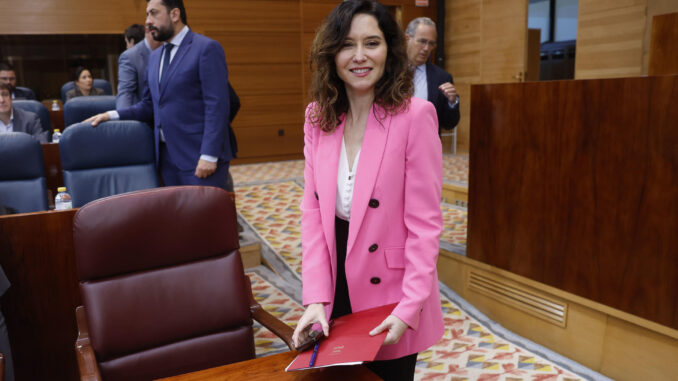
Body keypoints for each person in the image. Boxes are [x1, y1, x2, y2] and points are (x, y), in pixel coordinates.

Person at [291, 2, 444, 381]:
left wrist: (409, 308)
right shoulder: (318, 117)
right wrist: (315, 297)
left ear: (389, 51)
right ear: (332, 54)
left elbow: (425, 227)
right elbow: (312, 214)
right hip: (335, 281)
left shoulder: (415, 116)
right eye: (347, 45)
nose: (359, 56)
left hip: (393, 292)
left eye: (371, 43)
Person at [86, 0, 232, 189]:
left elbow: (217, 106)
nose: (148, 21)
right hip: (166, 159)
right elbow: (150, 105)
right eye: (147, 15)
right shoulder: (155, 57)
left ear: (175, 15)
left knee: (205, 218)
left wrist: (209, 155)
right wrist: (111, 115)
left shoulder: (205, 48)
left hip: (199, 158)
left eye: (154, 13)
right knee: (178, 218)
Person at [405, 17, 460, 135]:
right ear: (407, 39)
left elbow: (449, 124)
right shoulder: (389, 71)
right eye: (422, 41)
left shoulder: (442, 78)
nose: (426, 48)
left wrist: (452, 102)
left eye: (431, 43)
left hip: (426, 147)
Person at [116, 25, 162, 109]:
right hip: (146, 118)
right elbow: (126, 93)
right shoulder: (130, 56)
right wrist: (123, 121)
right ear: (148, 31)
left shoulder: (171, 50)